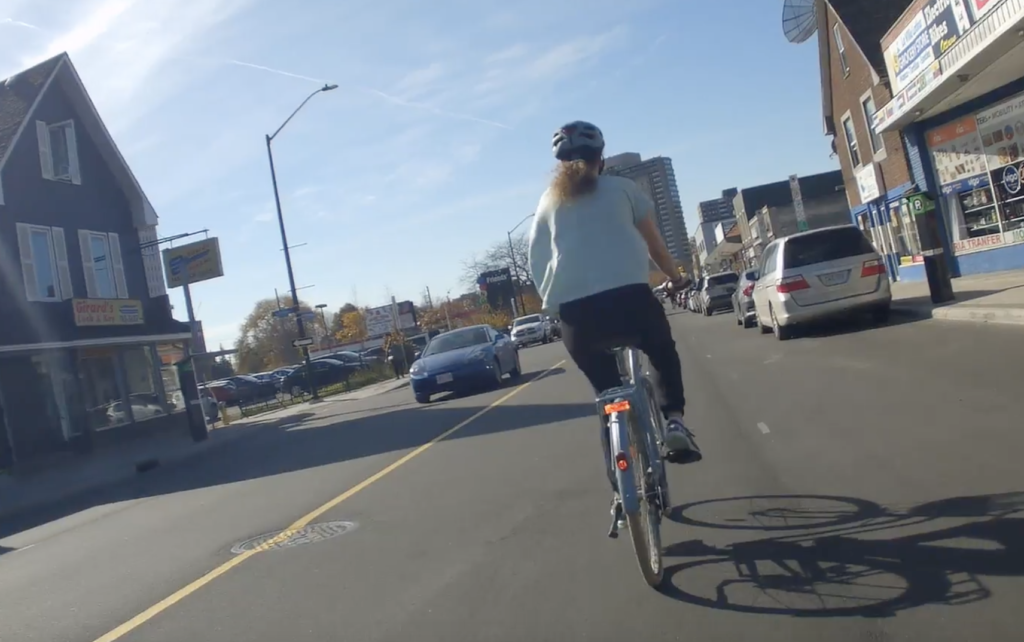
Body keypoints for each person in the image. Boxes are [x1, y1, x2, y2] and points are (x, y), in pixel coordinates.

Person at [527, 120, 702, 495]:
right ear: (600, 159)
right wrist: (676, 276)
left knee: (608, 398)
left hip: (577, 318)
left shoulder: (547, 202)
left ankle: (623, 497)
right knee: (661, 351)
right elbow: (656, 247)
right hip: (630, 302)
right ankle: (674, 422)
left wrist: (552, 304)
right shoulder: (624, 189)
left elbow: (537, 262)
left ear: (560, 165)